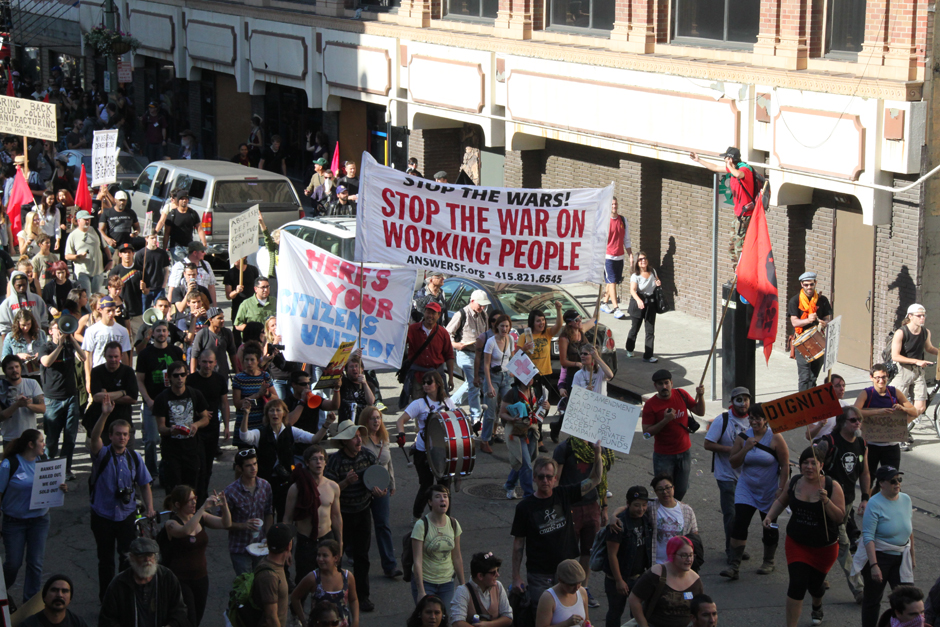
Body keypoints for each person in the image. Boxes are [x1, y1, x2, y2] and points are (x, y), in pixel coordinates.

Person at [511, 446, 604, 607]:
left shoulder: (564, 494)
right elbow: (518, 544)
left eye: (549, 477)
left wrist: (597, 454)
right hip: (539, 574)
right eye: (541, 477)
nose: (545, 481)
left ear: (555, 478)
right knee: (542, 614)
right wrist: (516, 577)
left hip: (566, 570)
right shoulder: (525, 507)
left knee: (567, 612)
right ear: (534, 478)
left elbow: (595, 479)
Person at [764, 446, 845, 627]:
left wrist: (826, 501)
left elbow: (840, 517)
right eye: (805, 463)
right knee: (797, 583)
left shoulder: (832, 486)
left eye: (813, 463)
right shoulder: (795, 482)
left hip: (824, 547)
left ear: (821, 465)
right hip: (797, 543)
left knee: (815, 586)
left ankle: (817, 604)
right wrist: (770, 516)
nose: (809, 467)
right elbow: (781, 501)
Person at [87, 396, 155, 600]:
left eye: (125, 434)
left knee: (128, 558)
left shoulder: (134, 458)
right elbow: (94, 438)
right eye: (118, 434)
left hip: (126, 515)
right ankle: (107, 598)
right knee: (105, 560)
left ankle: (126, 596)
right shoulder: (102, 454)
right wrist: (105, 414)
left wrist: (150, 509)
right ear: (111, 436)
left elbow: (145, 484)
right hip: (103, 515)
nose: (122, 438)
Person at [721, 403, 790, 581]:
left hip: (769, 489)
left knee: (769, 524)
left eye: (758, 418)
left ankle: (769, 560)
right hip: (747, 488)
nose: (754, 422)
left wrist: (781, 489)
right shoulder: (743, 437)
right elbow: (734, 462)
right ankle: (734, 565)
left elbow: (784, 466)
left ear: (766, 419)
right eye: (751, 418)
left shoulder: (775, 438)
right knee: (740, 522)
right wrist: (746, 448)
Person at [0, 429, 66, 603]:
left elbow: (51, 484)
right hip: (14, 522)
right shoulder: (9, 464)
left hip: (39, 520)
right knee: (13, 564)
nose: (44, 444)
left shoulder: (43, 461)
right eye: (41, 441)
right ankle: (0, 593)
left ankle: (30, 605)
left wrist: (61, 488)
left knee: (35, 564)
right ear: (31, 444)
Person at [550, 427, 615, 606]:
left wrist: (604, 508)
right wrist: (556, 509)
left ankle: (583, 589)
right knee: (568, 551)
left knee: (588, 550)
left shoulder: (597, 449)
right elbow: (556, 482)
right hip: (571, 507)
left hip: (591, 505)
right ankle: (564, 589)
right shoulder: (565, 448)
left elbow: (601, 479)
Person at [324, 420, 383, 612]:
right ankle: (336, 595)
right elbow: (328, 493)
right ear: (344, 441)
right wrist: (345, 483)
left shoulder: (367, 456)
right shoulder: (334, 461)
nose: (359, 440)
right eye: (354, 437)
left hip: (363, 511)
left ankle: (362, 596)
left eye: (359, 436)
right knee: (337, 557)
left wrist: (378, 491)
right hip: (341, 515)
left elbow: (378, 480)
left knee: (362, 556)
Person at [815, 405, 870, 601]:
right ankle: (859, 589)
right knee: (843, 543)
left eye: (859, 420)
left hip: (848, 503)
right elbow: (811, 465)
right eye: (853, 420)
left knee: (825, 541)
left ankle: (817, 577)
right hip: (828, 503)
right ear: (841, 423)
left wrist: (865, 497)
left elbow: (864, 472)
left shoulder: (861, 443)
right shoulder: (829, 442)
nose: (857, 423)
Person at [239, 398, 323, 521]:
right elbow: (244, 436)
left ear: (284, 413)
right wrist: (246, 414)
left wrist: (326, 425)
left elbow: (314, 439)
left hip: (285, 481)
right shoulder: (260, 433)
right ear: (267, 414)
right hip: (265, 481)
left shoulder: (291, 431)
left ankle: (283, 538)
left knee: (284, 513)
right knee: (266, 514)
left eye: (278, 410)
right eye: (271, 411)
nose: (275, 414)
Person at [162, 485, 232, 625]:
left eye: (195, 499)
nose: (194, 503)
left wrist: (224, 505)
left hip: (201, 577)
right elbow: (185, 531)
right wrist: (202, 508)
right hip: (181, 579)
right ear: (178, 504)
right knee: (189, 618)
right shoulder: (171, 523)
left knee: (197, 617)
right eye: (189, 501)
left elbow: (226, 523)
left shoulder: (201, 517)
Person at [855, 466, 915, 627]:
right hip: (880, 556)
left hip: (901, 556)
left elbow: (909, 528)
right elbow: (868, 536)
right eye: (893, 481)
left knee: (906, 600)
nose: (897, 483)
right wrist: (874, 565)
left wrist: (912, 556)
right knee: (872, 600)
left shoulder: (906, 499)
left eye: (899, 480)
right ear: (882, 483)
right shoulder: (874, 503)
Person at [397, 370, 458, 518]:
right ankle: (417, 517)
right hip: (423, 451)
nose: (425, 385)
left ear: (437, 384)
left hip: (443, 451)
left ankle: (444, 519)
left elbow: (457, 420)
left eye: (429, 382)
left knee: (444, 488)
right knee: (426, 486)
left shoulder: (447, 402)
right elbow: (400, 420)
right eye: (423, 382)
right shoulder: (419, 404)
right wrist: (401, 434)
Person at [703, 385, 752, 564]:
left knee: (742, 514)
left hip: (747, 477)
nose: (743, 403)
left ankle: (738, 547)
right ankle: (731, 551)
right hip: (726, 475)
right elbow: (708, 444)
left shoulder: (754, 420)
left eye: (746, 399)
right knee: (731, 514)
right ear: (732, 402)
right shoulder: (722, 420)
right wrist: (732, 450)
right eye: (739, 400)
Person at [641, 369, 705, 502]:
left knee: (681, 489)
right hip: (664, 456)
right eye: (660, 384)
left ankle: (674, 510)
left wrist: (701, 396)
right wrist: (665, 420)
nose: (664, 387)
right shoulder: (650, 405)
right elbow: (646, 435)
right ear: (655, 386)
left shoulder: (681, 394)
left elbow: (700, 412)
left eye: (666, 383)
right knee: (664, 492)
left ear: (671, 383)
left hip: (684, 452)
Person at [98, 536, 189, 627]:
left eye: (150, 555)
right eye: (142, 555)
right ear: (131, 557)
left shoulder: (167, 578)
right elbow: (106, 620)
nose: (147, 559)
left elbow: (180, 612)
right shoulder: (119, 583)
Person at [689, 146, 760, 262]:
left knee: (739, 248)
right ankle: (736, 274)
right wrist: (699, 160)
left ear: (730, 159)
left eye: (726, 158)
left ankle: (742, 276)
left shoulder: (744, 169)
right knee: (732, 248)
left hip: (745, 215)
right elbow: (716, 167)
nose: (724, 160)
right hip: (738, 214)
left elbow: (738, 175)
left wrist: (729, 165)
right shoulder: (734, 168)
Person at [285, 445, 343, 583]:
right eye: (314, 459)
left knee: (329, 581)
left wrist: (340, 543)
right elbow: (287, 519)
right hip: (306, 541)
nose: (318, 462)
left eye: (321, 459)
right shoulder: (296, 489)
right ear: (307, 463)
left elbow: (336, 516)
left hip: (327, 539)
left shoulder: (333, 487)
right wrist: (287, 548)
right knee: (303, 581)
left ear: (325, 462)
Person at [154, 360, 210, 494]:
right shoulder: (162, 398)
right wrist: (171, 430)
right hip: (172, 450)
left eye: (183, 374)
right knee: (174, 489)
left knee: (192, 488)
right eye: (176, 375)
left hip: (191, 449)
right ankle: (175, 513)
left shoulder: (195, 394)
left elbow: (205, 418)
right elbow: (160, 427)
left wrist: (196, 424)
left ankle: (191, 514)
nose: (180, 378)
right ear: (169, 378)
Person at [39, 316, 85, 479]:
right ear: (51, 331)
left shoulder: (69, 346)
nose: (61, 332)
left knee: (70, 437)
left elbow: (83, 357)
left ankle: (65, 469)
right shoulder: (45, 347)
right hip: (53, 399)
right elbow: (46, 362)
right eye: (59, 329)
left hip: (71, 396)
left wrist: (71, 339)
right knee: (52, 438)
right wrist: (59, 346)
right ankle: (49, 469)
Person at [358, 406, 401, 578]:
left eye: (378, 418)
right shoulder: (360, 439)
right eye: (372, 418)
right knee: (361, 526)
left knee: (383, 525)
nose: (376, 421)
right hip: (363, 487)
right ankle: (352, 552)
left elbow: (388, 463)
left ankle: (390, 565)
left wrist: (392, 483)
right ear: (365, 421)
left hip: (382, 488)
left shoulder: (384, 438)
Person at [856, 364, 919, 478]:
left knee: (890, 479)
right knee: (869, 478)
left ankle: (879, 491)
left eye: (884, 377)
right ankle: (870, 495)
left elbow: (914, 412)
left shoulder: (894, 392)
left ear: (888, 377)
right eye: (877, 377)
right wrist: (877, 412)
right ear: (871, 378)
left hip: (891, 445)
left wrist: (902, 408)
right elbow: (854, 412)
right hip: (871, 444)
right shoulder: (867, 393)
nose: (881, 380)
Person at [627, 536, 704, 627]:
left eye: (691, 555)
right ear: (672, 554)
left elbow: (699, 608)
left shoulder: (695, 581)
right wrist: (643, 625)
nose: (689, 560)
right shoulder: (656, 574)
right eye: (684, 555)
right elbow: (634, 599)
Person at [604, 486, 653, 627]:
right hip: (616, 579)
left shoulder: (645, 519)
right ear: (628, 504)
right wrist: (619, 580)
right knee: (615, 612)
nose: (641, 509)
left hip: (638, 577)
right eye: (636, 505)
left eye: (644, 505)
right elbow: (611, 554)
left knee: (637, 614)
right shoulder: (618, 524)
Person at [519, 302, 564, 450]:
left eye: (543, 320)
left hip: (545, 375)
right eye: (538, 321)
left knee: (543, 406)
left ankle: (538, 436)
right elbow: (516, 358)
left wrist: (558, 309)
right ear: (532, 322)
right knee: (530, 407)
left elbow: (558, 326)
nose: (541, 323)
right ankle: (534, 439)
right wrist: (523, 349)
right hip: (530, 377)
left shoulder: (547, 334)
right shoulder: (525, 335)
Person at [411, 484, 465, 607]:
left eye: (445, 496)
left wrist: (463, 585)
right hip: (426, 581)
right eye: (438, 497)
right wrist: (421, 591)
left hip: (447, 582)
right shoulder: (421, 525)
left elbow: (456, 557)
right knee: (430, 617)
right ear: (430, 502)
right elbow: (417, 561)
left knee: (443, 618)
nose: (443, 500)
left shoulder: (453, 524)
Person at [187, 349, 231, 499]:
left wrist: (226, 427)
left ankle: (203, 494)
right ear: (198, 362)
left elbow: (224, 403)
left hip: (213, 428)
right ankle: (195, 495)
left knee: (208, 466)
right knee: (198, 466)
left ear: (215, 363)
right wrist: (201, 413)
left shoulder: (219, 380)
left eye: (210, 362)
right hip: (195, 428)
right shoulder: (190, 380)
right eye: (204, 362)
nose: (207, 365)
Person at [224, 448, 274, 576]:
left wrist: (268, 537)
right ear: (240, 468)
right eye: (248, 466)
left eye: (255, 464)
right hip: (240, 548)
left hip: (261, 546)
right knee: (245, 586)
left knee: (261, 583)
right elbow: (222, 522)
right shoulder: (230, 492)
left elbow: (268, 513)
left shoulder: (265, 486)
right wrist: (243, 525)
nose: (253, 468)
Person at [891, 304, 938, 437]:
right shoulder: (901, 332)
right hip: (903, 371)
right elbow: (895, 355)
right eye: (919, 316)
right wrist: (916, 361)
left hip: (918, 372)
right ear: (910, 316)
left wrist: (939, 352)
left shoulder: (925, 332)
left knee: (921, 408)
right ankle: (897, 432)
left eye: (924, 315)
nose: (922, 318)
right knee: (896, 406)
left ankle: (900, 429)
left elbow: (928, 348)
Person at [445, 290, 489, 430]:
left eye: (483, 305)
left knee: (473, 382)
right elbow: (447, 334)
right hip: (465, 353)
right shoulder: (461, 314)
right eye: (480, 305)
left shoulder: (484, 315)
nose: (482, 307)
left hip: (479, 354)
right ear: (472, 301)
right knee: (474, 383)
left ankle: (450, 403)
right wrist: (456, 344)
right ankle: (476, 415)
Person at [291, 538, 359, 627]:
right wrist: (303, 621)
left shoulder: (347, 577)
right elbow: (295, 597)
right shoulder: (313, 578)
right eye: (318, 555)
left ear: (336, 558)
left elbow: (353, 600)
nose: (320, 559)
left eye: (325, 556)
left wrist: (355, 621)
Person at [401, 301, 456, 409]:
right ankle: (420, 426)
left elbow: (449, 356)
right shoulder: (412, 329)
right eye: (428, 312)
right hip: (418, 377)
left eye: (433, 313)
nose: (430, 316)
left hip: (437, 378)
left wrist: (451, 378)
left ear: (438, 315)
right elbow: (400, 346)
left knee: (438, 408)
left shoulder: (443, 333)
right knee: (419, 408)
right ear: (424, 313)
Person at [553, 309, 595, 441]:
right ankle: (558, 427)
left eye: (580, 318)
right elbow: (563, 361)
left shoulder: (581, 331)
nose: (580, 321)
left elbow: (594, 320)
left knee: (585, 405)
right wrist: (577, 364)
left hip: (586, 374)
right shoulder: (564, 338)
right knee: (574, 406)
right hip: (573, 376)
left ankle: (582, 433)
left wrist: (601, 299)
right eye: (577, 320)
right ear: (570, 323)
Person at [85, 342, 139, 442]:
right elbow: (97, 397)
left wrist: (106, 396)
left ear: (121, 356)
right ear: (104, 355)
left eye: (116, 356)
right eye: (110, 356)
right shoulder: (97, 371)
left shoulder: (128, 372)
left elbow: (133, 398)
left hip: (123, 421)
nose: (113, 360)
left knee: (125, 455)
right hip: (101, 423)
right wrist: (122, 392)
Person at [788, 271, 833, 391]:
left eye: (811, 284)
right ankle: (802, 401)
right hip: (802, 341)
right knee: (804, 377)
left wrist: (825, 323)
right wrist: (808, 320)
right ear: (802, 284)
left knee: (813, 376)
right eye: (806, 284)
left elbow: (828, 318)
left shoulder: (822, 300)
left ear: (815, 283)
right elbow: (795, 322)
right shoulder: (795, 300)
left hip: (818, 340)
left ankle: (812, 398)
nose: (809, 287)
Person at [232, 340, 277, 443]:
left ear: (258, 361)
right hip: (245, 423)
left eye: (252, 360)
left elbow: (276, 398)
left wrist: (267, 393)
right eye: (246, 360)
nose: (249, 363)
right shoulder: (239, 378)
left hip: (262, 423)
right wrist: (257, 395)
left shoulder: (265, 376)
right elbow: (237, 403)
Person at [450, 552, 512, 627]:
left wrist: (488, 625)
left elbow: (508, 617)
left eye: (497, 571)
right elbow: (457, 622)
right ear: (480, 576)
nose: (497, 575)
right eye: (493, 573)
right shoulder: (462, 592)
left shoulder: (498, 586)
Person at [482, 314, 515, 455]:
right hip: (493, 377)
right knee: (490, 411)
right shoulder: (491, 342)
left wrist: (514, 373)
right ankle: (485, 440)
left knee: (510, 408)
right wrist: (489, 385)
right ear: (497, 327)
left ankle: (513, 437)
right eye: (502, 326)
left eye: (507, 326)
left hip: (506, 377)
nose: (505, 329)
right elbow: (486, 365)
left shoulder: (511, 339)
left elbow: (513, 358)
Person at [0, 354, 45, 445]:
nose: (14, 370)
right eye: (10, 368)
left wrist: (27, 404)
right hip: (10, 438)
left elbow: (43, 409)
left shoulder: (32, 383)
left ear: (21, 368)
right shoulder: (1, 387)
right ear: (5, 371)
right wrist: (16, 405)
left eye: (17, 367)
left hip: (30, 437)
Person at [626, 251, 662, 362]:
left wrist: (658, 283)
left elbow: (657, 282)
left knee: (650, 330)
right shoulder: (635, 276)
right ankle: (629, 348)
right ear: (637, 262)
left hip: (650, 303)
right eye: (640, 259)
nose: (643, 261)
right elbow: (632, 290)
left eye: (644, 258)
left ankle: (648, 355)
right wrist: (638, 300)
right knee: (635, 328)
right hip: (638, 303)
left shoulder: (653, 271)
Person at [600, 197, 633, 319]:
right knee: (612, 281)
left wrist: (630, 255)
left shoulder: (623, 220)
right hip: (608, 257)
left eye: (615, 204)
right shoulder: (604, 222)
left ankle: (604, 303)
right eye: (612, 204)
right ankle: (616, 308)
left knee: (613, 281)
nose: (614, 206)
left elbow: (627, 239)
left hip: (620, 256)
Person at [81, 295, 131, 372]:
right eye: (108, 311)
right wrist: (88, 379)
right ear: (100, 310)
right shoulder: (91, 331)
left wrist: (126, 375)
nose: (111, 314)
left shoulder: (123, 331)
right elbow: (88, 356)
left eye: (113, 310)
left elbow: (125, 354)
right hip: (98, 371)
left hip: (117, 371)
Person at [65, 210, 109, 296]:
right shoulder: (73, 235)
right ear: (78, 221)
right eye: (85, 219)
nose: (87, 221)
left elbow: (105, 247)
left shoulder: (96, 231)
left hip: (98, 271)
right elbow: (67, 256)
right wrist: (78, 256)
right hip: (82, 272)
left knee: (96, 296)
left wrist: (110, 260)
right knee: (86, 296)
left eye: (89, 219)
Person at [535, 559, 590, 627]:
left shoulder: (582, 592)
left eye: (579, 582)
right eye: (571, 584)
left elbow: (586, 621)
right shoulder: (548, 598)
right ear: (560, 580)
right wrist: (566, 624)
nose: (577, 587)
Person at [19, 574, 89, 627]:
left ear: (70, 598)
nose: (59, 595)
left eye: (64, 591)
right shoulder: (29, 625)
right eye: (54, 590)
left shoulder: (78, 623)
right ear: (44, 597)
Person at [155, 191, 206, 260]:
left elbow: (199, 229)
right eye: (182, 199)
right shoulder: (172, 214)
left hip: (189, 247)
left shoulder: (192, 213)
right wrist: (164, 249)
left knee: (189, 267)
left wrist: (204, 243)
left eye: (186, 198)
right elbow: (166, 233)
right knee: (181, 266)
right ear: (178, 201)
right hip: (176, 247)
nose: (184, 200)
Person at [0, 270, 48, 337]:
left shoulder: (37, 299)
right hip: (16, 340)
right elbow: (4, 328)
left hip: (36, 339)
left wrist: (44, 339)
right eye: (19, 285)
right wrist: (6, 346)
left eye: (24, 285)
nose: (22, 288)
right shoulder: (6, 304)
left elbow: (44, 321)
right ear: (13, 285)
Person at [167, 241, 217, 306]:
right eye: (202, 251)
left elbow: (211, 287)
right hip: (186, 305)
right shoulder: (179, 266)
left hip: (203, 305)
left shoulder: (206, 265)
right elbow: (172, 289)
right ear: (195, 253)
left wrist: (214, 306)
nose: (204, 253)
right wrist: (169, 310)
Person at [223, 257, 260, 344]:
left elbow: (257, 288)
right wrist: (236, 291)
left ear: (244, 257)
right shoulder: (230, 273)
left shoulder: (253, 270)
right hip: (238, 307)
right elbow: (229, 296)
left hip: (252, 307)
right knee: (237, 333)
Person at [191, 306, 235, 375]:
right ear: (211, 320)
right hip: (205, 375)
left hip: (222, 375)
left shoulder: (227, 333)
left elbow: (232, 353)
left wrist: (237, 371)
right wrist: (193, 376)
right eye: (219, 318)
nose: (222, 320)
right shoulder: (202, 334)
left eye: (223, 318)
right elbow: (194, 356)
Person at [806, 374, 850, 441]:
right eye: (837, 386)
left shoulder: (845, 406)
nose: (842, 389)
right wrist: (820, 425)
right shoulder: (818, 408)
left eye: (843, 385)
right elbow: (808, 436)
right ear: (828, 388)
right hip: (822, 444)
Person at [2, 309, 46, 374]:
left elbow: (47, 351)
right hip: (21, 373)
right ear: (18, 324)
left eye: (28, 324)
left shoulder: (40, 334)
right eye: (23, 325)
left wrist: (41, 354)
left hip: (40, 372)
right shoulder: (11, 337)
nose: (26, 328)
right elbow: (4, 359)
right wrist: (17, 357)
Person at [136, 231, 170, 311]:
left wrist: (164, 284)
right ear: (146, 239)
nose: (155, 240)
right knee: (145, 311)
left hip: (159, 287)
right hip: (146, 288)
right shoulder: (140, 254)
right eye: (152, 238)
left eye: (156, 238)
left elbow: (166, 269)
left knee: (160, 312)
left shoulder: (162, 253)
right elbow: (137, 272)